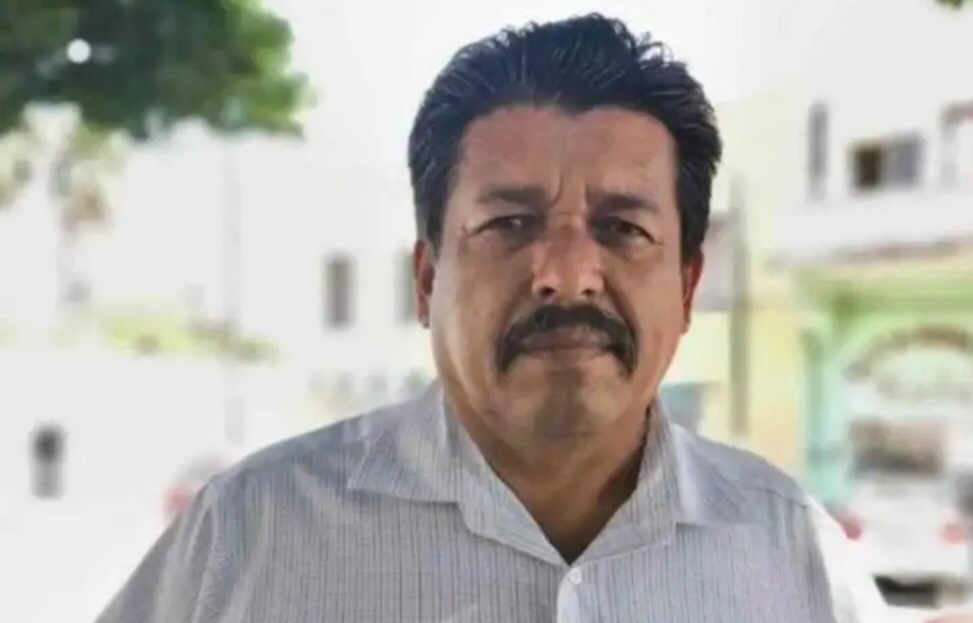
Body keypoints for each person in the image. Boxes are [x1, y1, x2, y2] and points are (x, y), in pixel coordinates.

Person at [95, 14, 891, 623]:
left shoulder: (792, 552)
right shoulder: (249, 537)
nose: (566, 274)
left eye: (622, 227)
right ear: (426, 277)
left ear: (686, 287)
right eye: (509, 223)